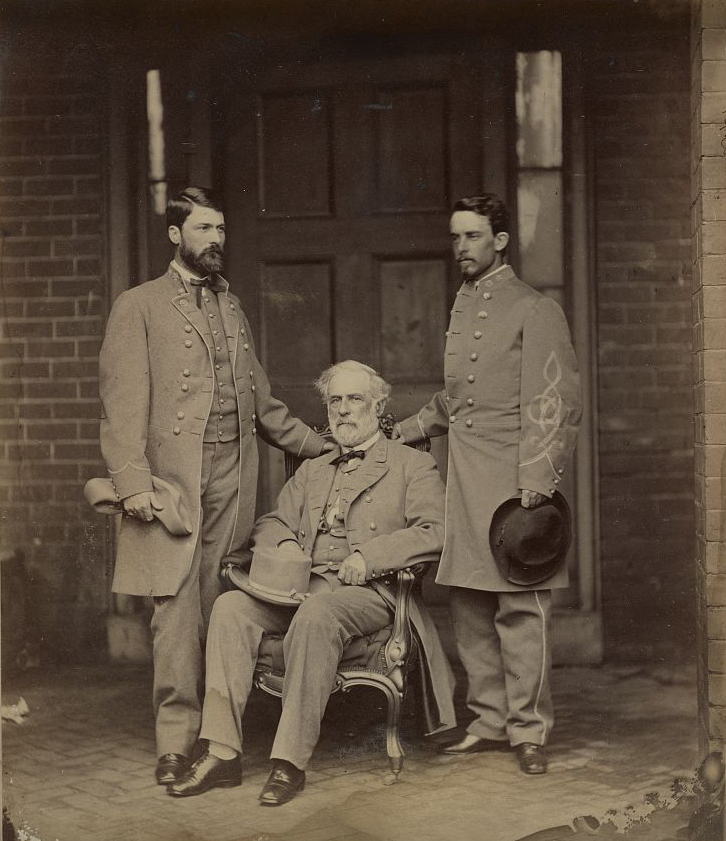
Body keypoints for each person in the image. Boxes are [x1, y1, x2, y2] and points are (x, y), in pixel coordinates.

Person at [98, 187, 329, 785]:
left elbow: (263, 405)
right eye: (204, 229)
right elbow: (121, 406)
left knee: (221, 600)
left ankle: (216, 739)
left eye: (220, 229)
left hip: (233, 472)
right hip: (173, 479)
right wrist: (131, 484)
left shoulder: (232, 308)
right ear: (175, 235)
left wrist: (321, 444)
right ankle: (174, 740)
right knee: (174, 606)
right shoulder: (140, 305)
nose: (216, 240)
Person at [167, 360, 456, 804]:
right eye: (334, 401)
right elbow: (272, 521)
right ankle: (222, 751)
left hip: (369, 594)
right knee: (229, 609)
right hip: (300, 590)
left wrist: (371, 556)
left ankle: (288, 762)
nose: (343, 410)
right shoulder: (313, 469)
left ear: (379, 406)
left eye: (355, 399)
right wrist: (282, 545)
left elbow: (433, 531)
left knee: (319, 614)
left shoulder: (410, 465)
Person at [393, 194, 582, 775]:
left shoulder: (534, 308)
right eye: (455, 237)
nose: (460, 249)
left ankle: (529, 729)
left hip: (513, 480)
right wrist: (405, 430)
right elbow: (459, 400)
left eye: (472, 237)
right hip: (467, 474)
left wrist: (538, 477)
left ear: (499, 241)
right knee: (472, 605)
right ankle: (490, 720)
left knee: (520, 608)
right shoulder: (464, 303)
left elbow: (555, 398)